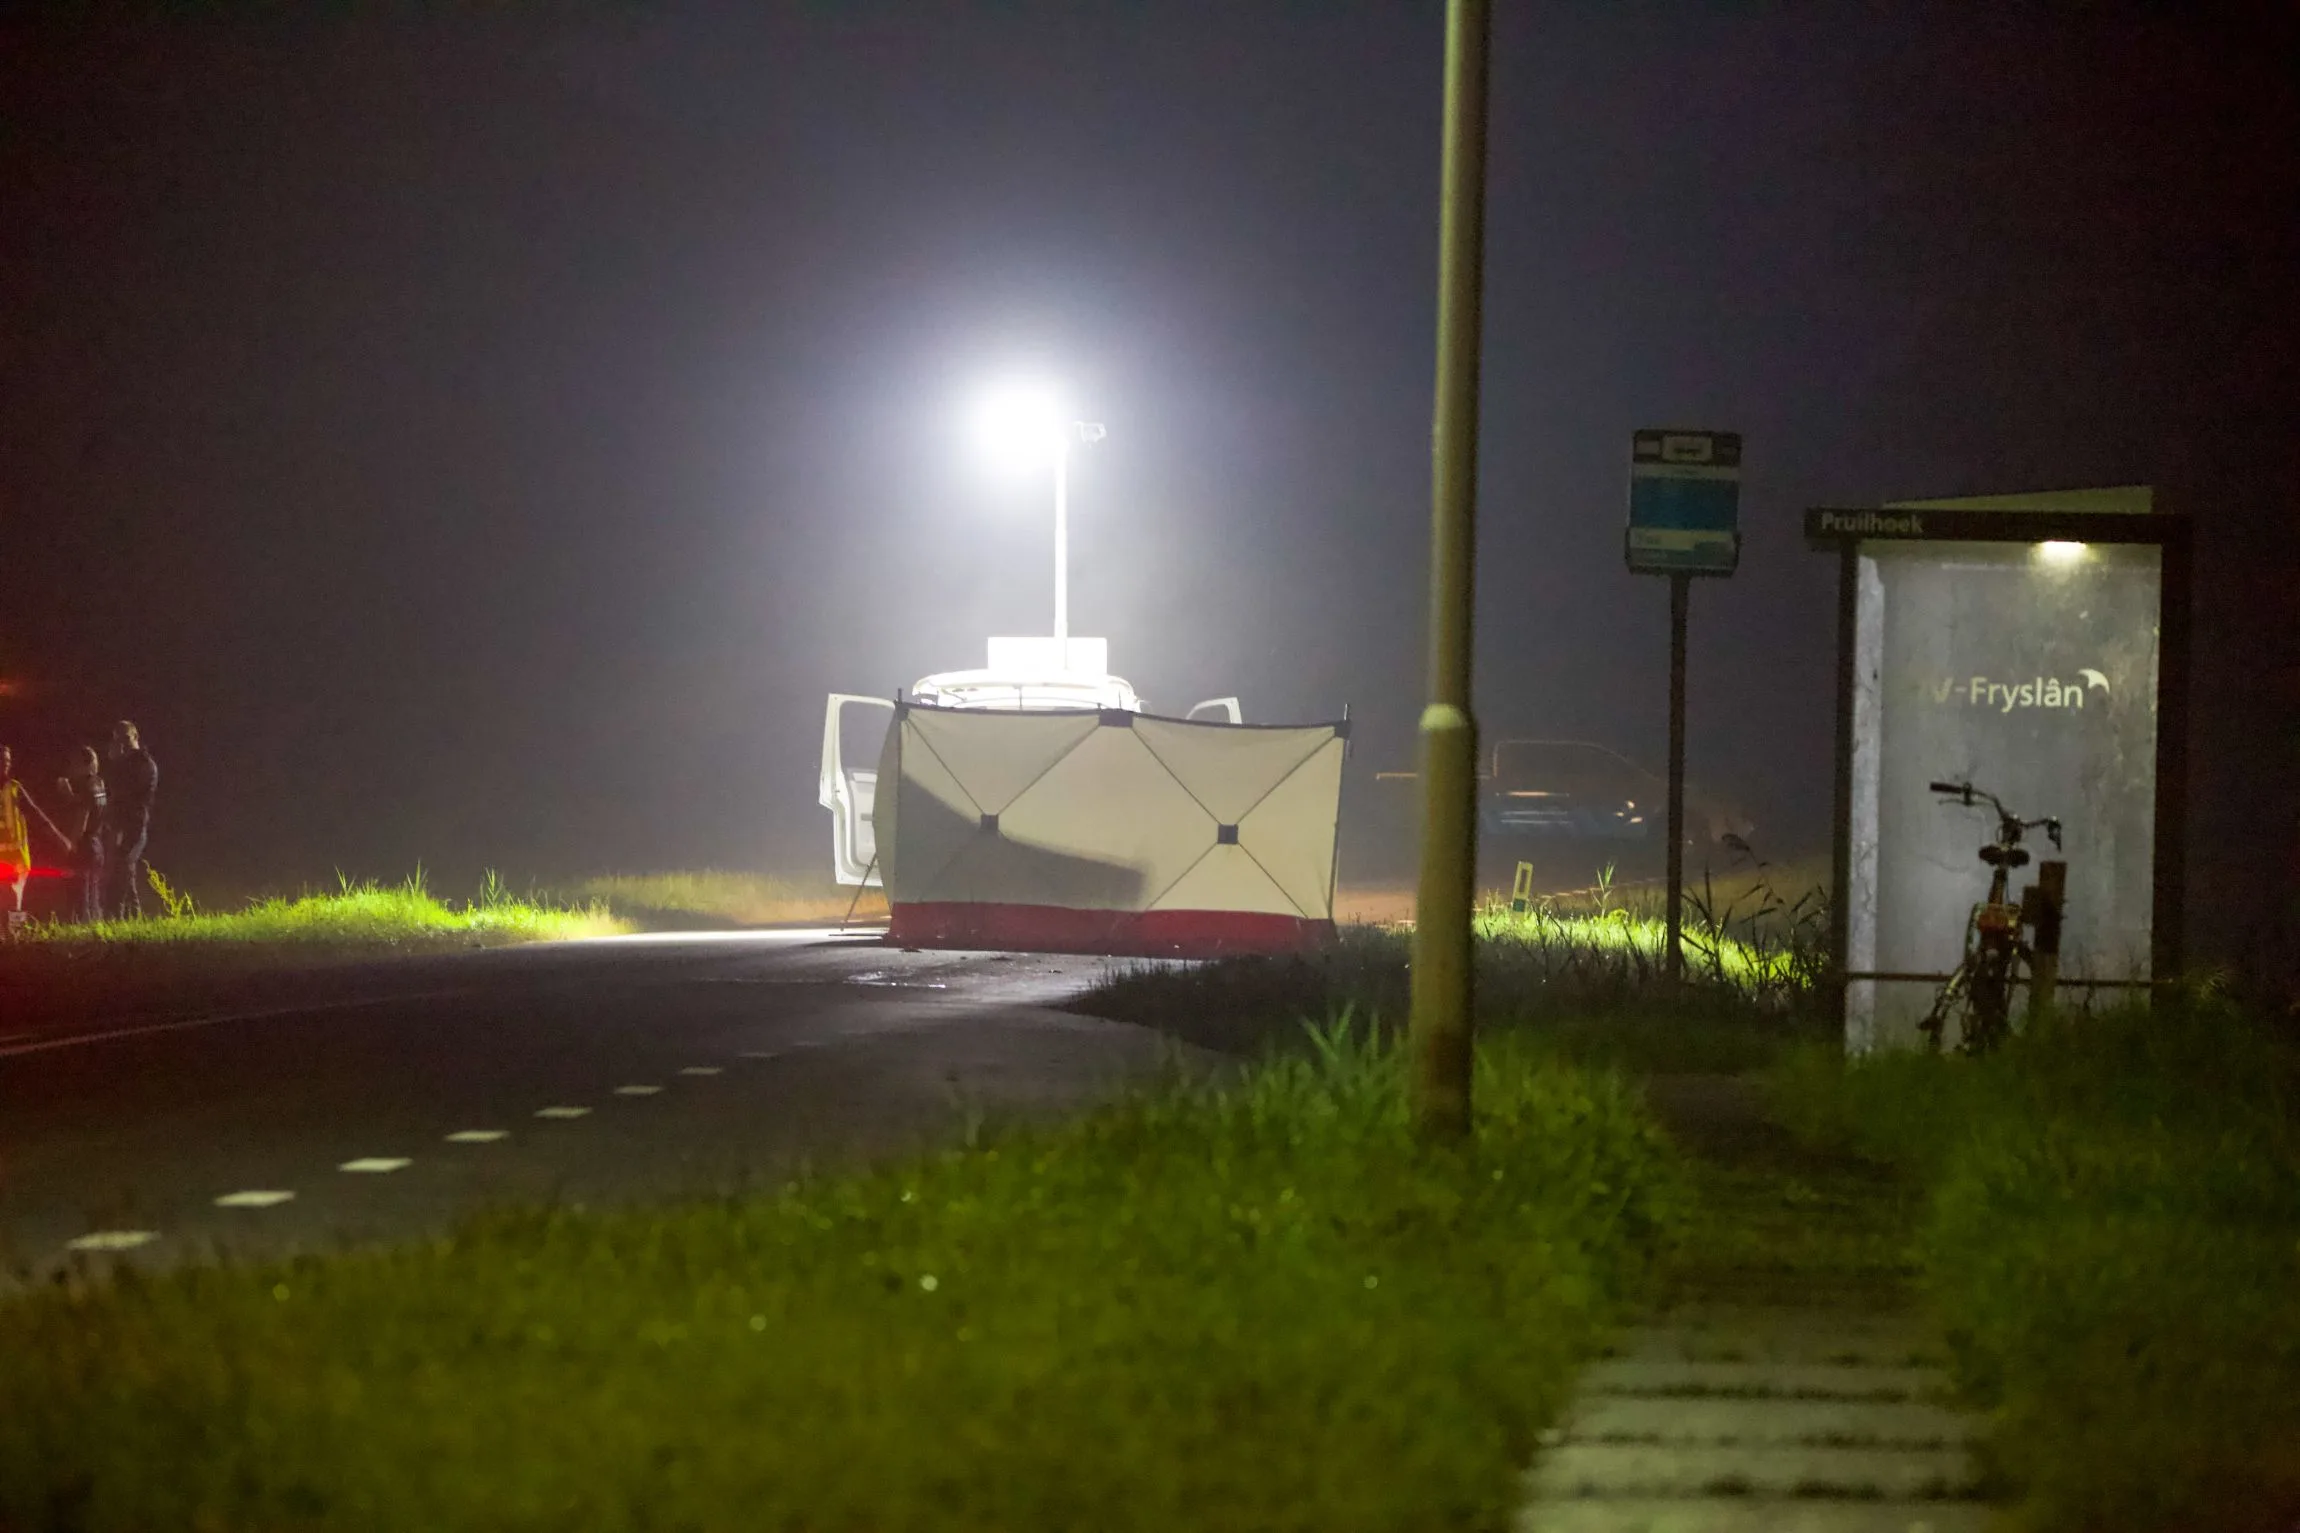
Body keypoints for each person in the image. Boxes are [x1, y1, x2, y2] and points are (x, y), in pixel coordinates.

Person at [0, 744, 65, 936]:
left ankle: (16, 941)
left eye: (7, 760)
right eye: (1, 760)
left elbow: (37, 815)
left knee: (13, 899)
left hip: (15, 858)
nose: (5, 764)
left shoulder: (15, 789)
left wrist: (59, 838)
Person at [103, 720, 158, 919]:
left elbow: (128, 794)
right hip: (121, 824)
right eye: (118, 739)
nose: (122, 744)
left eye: (125, 738)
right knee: (125, 870)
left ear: (135, 737)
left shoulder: (143, 763)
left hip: (134, 825)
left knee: (122, 866)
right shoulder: (124, 763)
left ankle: (115, 913)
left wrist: (117, 763)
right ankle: (133, 916)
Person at [55, 746, 108, 926]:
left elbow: (82, 816)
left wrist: (71, 846)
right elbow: (89, 805)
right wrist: (70, 794)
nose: (70, 768)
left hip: (84, 846)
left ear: (82, 764)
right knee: (94, 895)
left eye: (74, 763)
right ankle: (96, 934)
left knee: (79, 897)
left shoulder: (85, 784)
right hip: (97, 844)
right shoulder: (98, 782)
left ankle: (81, 938)